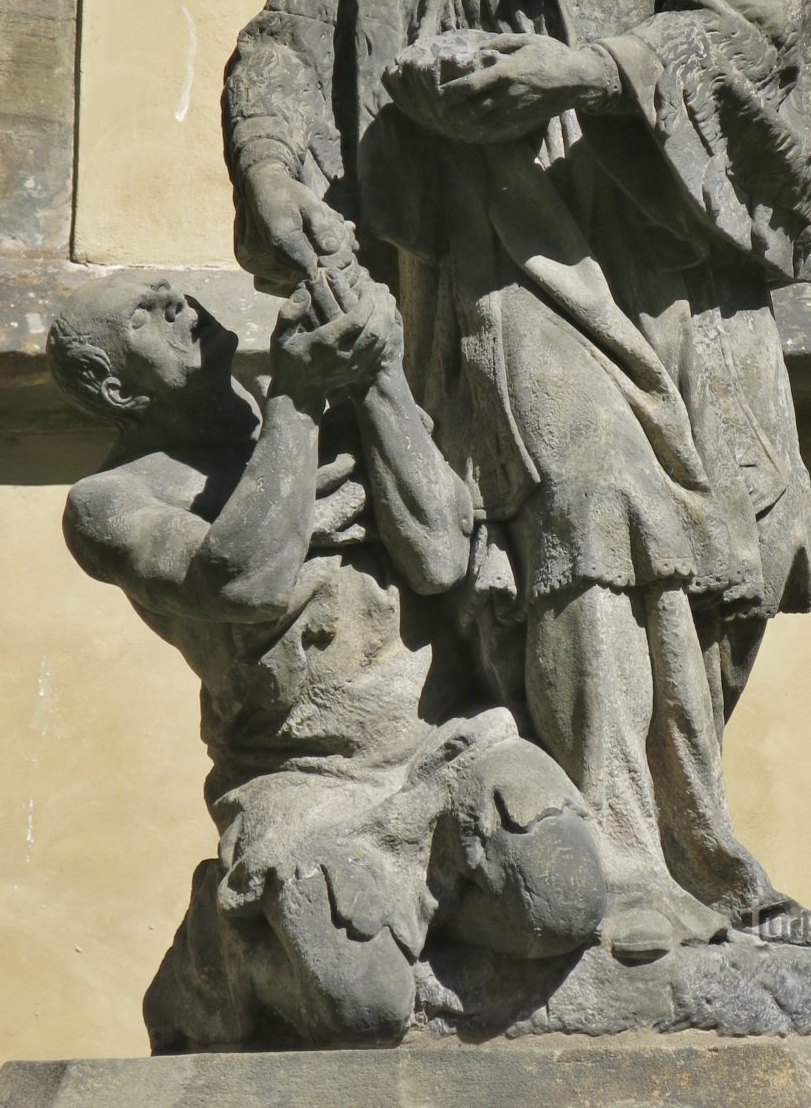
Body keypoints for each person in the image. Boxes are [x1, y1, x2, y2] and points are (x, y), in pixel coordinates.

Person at [221, 0, 811, 950]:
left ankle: (655, 841)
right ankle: (603, 851)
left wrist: (587, 70)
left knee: (667, 559)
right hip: (476, 262)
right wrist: (275, 174)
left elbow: (764, 27)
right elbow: (285, 38)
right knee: (574, 504)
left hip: (653, 261)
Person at [47, 264, 606, 1049]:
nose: (176, 302)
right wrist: (295, 405)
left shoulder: (337, 420)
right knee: (364, 1009)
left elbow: (443, 555)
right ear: (114, 389)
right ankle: (227, 955)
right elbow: (245, 582)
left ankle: (424, 932)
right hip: (306, 786)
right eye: (143, 314)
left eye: (170, 290)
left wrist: (379, 376)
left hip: (446, 746)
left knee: (565, 899)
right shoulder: (112, 502)